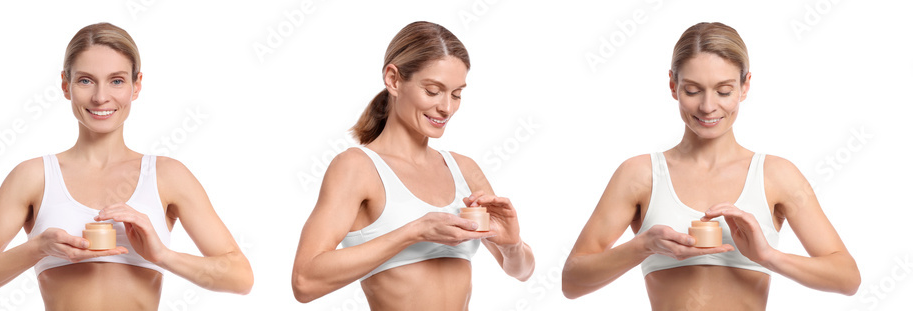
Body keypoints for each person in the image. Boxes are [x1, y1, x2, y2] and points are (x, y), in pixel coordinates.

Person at [561, 22, 860, 310]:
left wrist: (767, 256)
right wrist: (643, 246)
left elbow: (847, 278)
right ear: (672, 85)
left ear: (745, 87)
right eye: (692, 90)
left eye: (724, 91)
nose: (707, 106)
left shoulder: (776, 175)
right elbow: (572, 282)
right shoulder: (640, 175)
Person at [0, 23, 253, 310]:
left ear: (136, 86)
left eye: (117, 80)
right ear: (65, 85)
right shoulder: (33, 177)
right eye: (85, 80)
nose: (100, 97)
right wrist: (39, 247)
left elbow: (240, 277)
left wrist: (162, 255)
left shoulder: (167, 175)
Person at [291, 21, 535, 310]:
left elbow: (520, 271)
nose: (447, 107)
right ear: (393, 80)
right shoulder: (357, 167)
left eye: (456, 94)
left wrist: (511, 244)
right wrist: (414, 232)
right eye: (433, 91)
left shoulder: (464, 169)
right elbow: (305, 282)